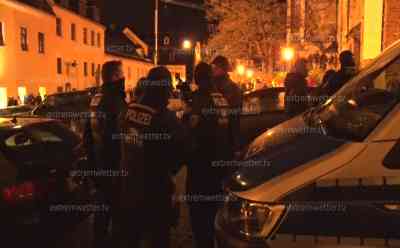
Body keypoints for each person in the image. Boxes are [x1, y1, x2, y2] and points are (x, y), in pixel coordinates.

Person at [113, 66, 188, 248]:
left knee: (132, 238)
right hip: (156, 192)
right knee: (159, 239)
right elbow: (183, 150)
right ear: (164, 89)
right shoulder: (165, 118)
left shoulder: (126, 112)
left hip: (129, 190)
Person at [187, 62, 232, 248]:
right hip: (219, 167)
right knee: (216, 216)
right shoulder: (221, 98)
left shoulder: (199, 99)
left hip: (201, 169)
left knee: (200, 221)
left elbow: (191, 133)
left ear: (198, 78)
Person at [84, 60, 127, 248]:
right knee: (118, 214)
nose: (124, 77)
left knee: (102, 211)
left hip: (99, 165)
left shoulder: (96, 98)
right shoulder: (115, 101)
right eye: (122, 73)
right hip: (114, 167)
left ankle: (98, 241)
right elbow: (120, 138)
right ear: (116, 76)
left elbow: (88, 135)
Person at [211, 55, 243, 153]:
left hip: (222, 138)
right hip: (224, 139)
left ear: (221, 69)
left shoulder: (224, 87)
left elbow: (234, 118)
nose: (212, 71)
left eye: (214, 68)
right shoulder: (234, 87)